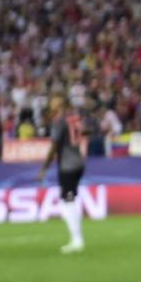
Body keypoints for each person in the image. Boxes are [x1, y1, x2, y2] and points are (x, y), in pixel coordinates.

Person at [38, 95, 87, 254]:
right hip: (79, 162)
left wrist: (44, 168)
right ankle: (77, 238)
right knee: (69, 200)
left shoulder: (60, 122)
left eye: (54, 103)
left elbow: (54, 146)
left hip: (67, 165)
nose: (51, 106)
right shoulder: (76, 118)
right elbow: (86, 132)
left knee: (67, 202)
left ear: (59, 105)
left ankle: (77, 239)